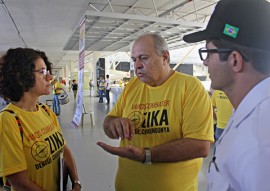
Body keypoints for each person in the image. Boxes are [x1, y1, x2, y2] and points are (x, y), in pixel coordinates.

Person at [97, 33, 214, 191]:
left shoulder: (190, 87)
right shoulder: (132, 87)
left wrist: (146, 155)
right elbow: (108, 122)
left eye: (143, 58)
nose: (137, 65)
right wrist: (113, 124)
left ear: (164, 57)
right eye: (134, 60)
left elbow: (200, 146)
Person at [183, 0, 270, 190]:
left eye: (208, 52)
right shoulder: (247, 112)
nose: (205, 63)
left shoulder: (260, 143)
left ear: (235, 60)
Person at [0, 48, 81, 190]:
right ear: (21, 77)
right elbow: (19, 182)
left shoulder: (46, 111)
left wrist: (76, 182)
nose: (50, 77)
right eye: (42, 72)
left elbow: (64, 149)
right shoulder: (8, 120)